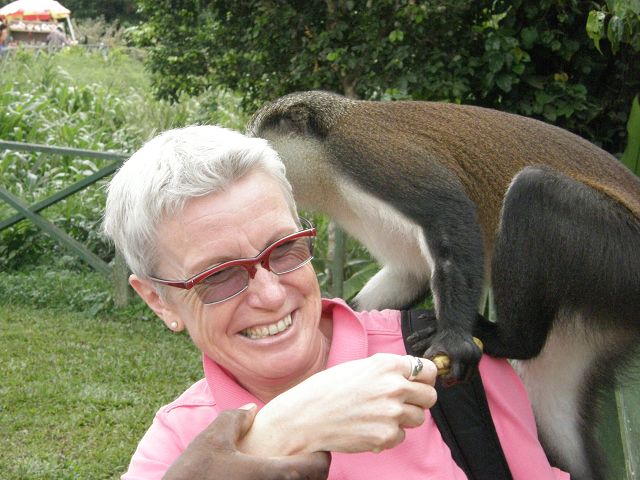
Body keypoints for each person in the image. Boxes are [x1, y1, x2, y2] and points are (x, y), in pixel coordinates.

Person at [103, 125, 569, 479]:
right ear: (159, 301)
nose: (271, 295)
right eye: (219, 275)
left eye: (284, 248)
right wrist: (282, 431)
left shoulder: (446, 358)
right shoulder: (175, 447)